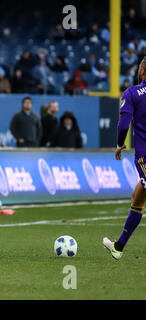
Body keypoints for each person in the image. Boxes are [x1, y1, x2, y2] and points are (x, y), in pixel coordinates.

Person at [103, 57, 146, 260]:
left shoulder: (132, 93)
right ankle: (118, 247)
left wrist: (120, 144)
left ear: (142, 72)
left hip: (145, 156)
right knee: (138, 198)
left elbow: (123, 125)